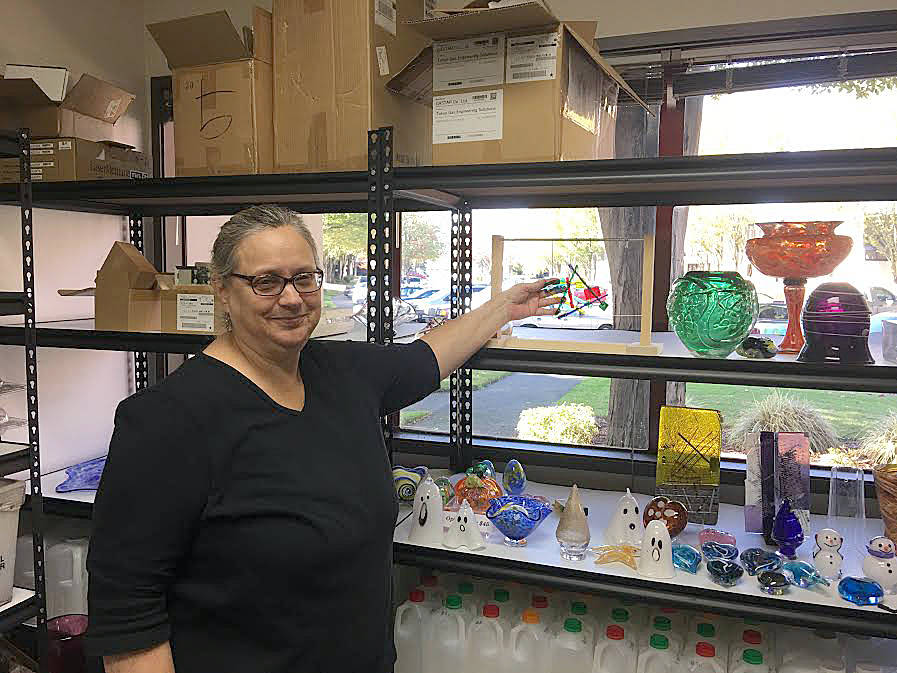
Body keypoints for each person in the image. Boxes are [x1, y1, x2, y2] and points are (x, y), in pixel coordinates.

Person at [86, 205, 560, 673]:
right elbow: (129, 617)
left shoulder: (342, 374)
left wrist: (504, 306)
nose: (291, 298)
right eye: (266, 282)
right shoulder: (167, 421)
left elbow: (424, 359)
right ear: (222, 290)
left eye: (304, 279)